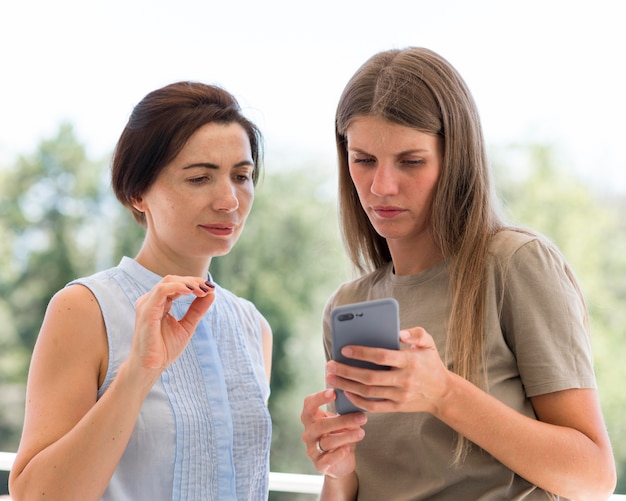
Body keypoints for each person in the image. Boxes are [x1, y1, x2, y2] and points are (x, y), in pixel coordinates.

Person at [300, 47, 616, 500]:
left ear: (456, 160)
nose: (381, 187)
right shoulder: (349, 306)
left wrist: (444, 393)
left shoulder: (515, 265)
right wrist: (337, 467)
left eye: (411, 161)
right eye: (363, 159)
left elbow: (593, 478)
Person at [9, 81, 273, 500]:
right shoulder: (84, 310)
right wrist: (138, 372)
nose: (229, 200)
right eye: (200, 177)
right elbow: (35, 495)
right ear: (137, 193)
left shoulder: (252, 326)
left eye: (242, 176)